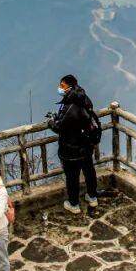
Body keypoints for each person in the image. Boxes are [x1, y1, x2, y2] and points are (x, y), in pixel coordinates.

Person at [51, 74, 98, 213]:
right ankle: (92, 197)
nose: (60, 88)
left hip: (71, 148)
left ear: (69, 87)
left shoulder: (70, 106)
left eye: (62, 86)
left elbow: (60, 127)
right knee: (89, 171)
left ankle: (74, 204)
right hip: (86, 144)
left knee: (72, 176)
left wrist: (51, 122)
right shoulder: (84, 98)